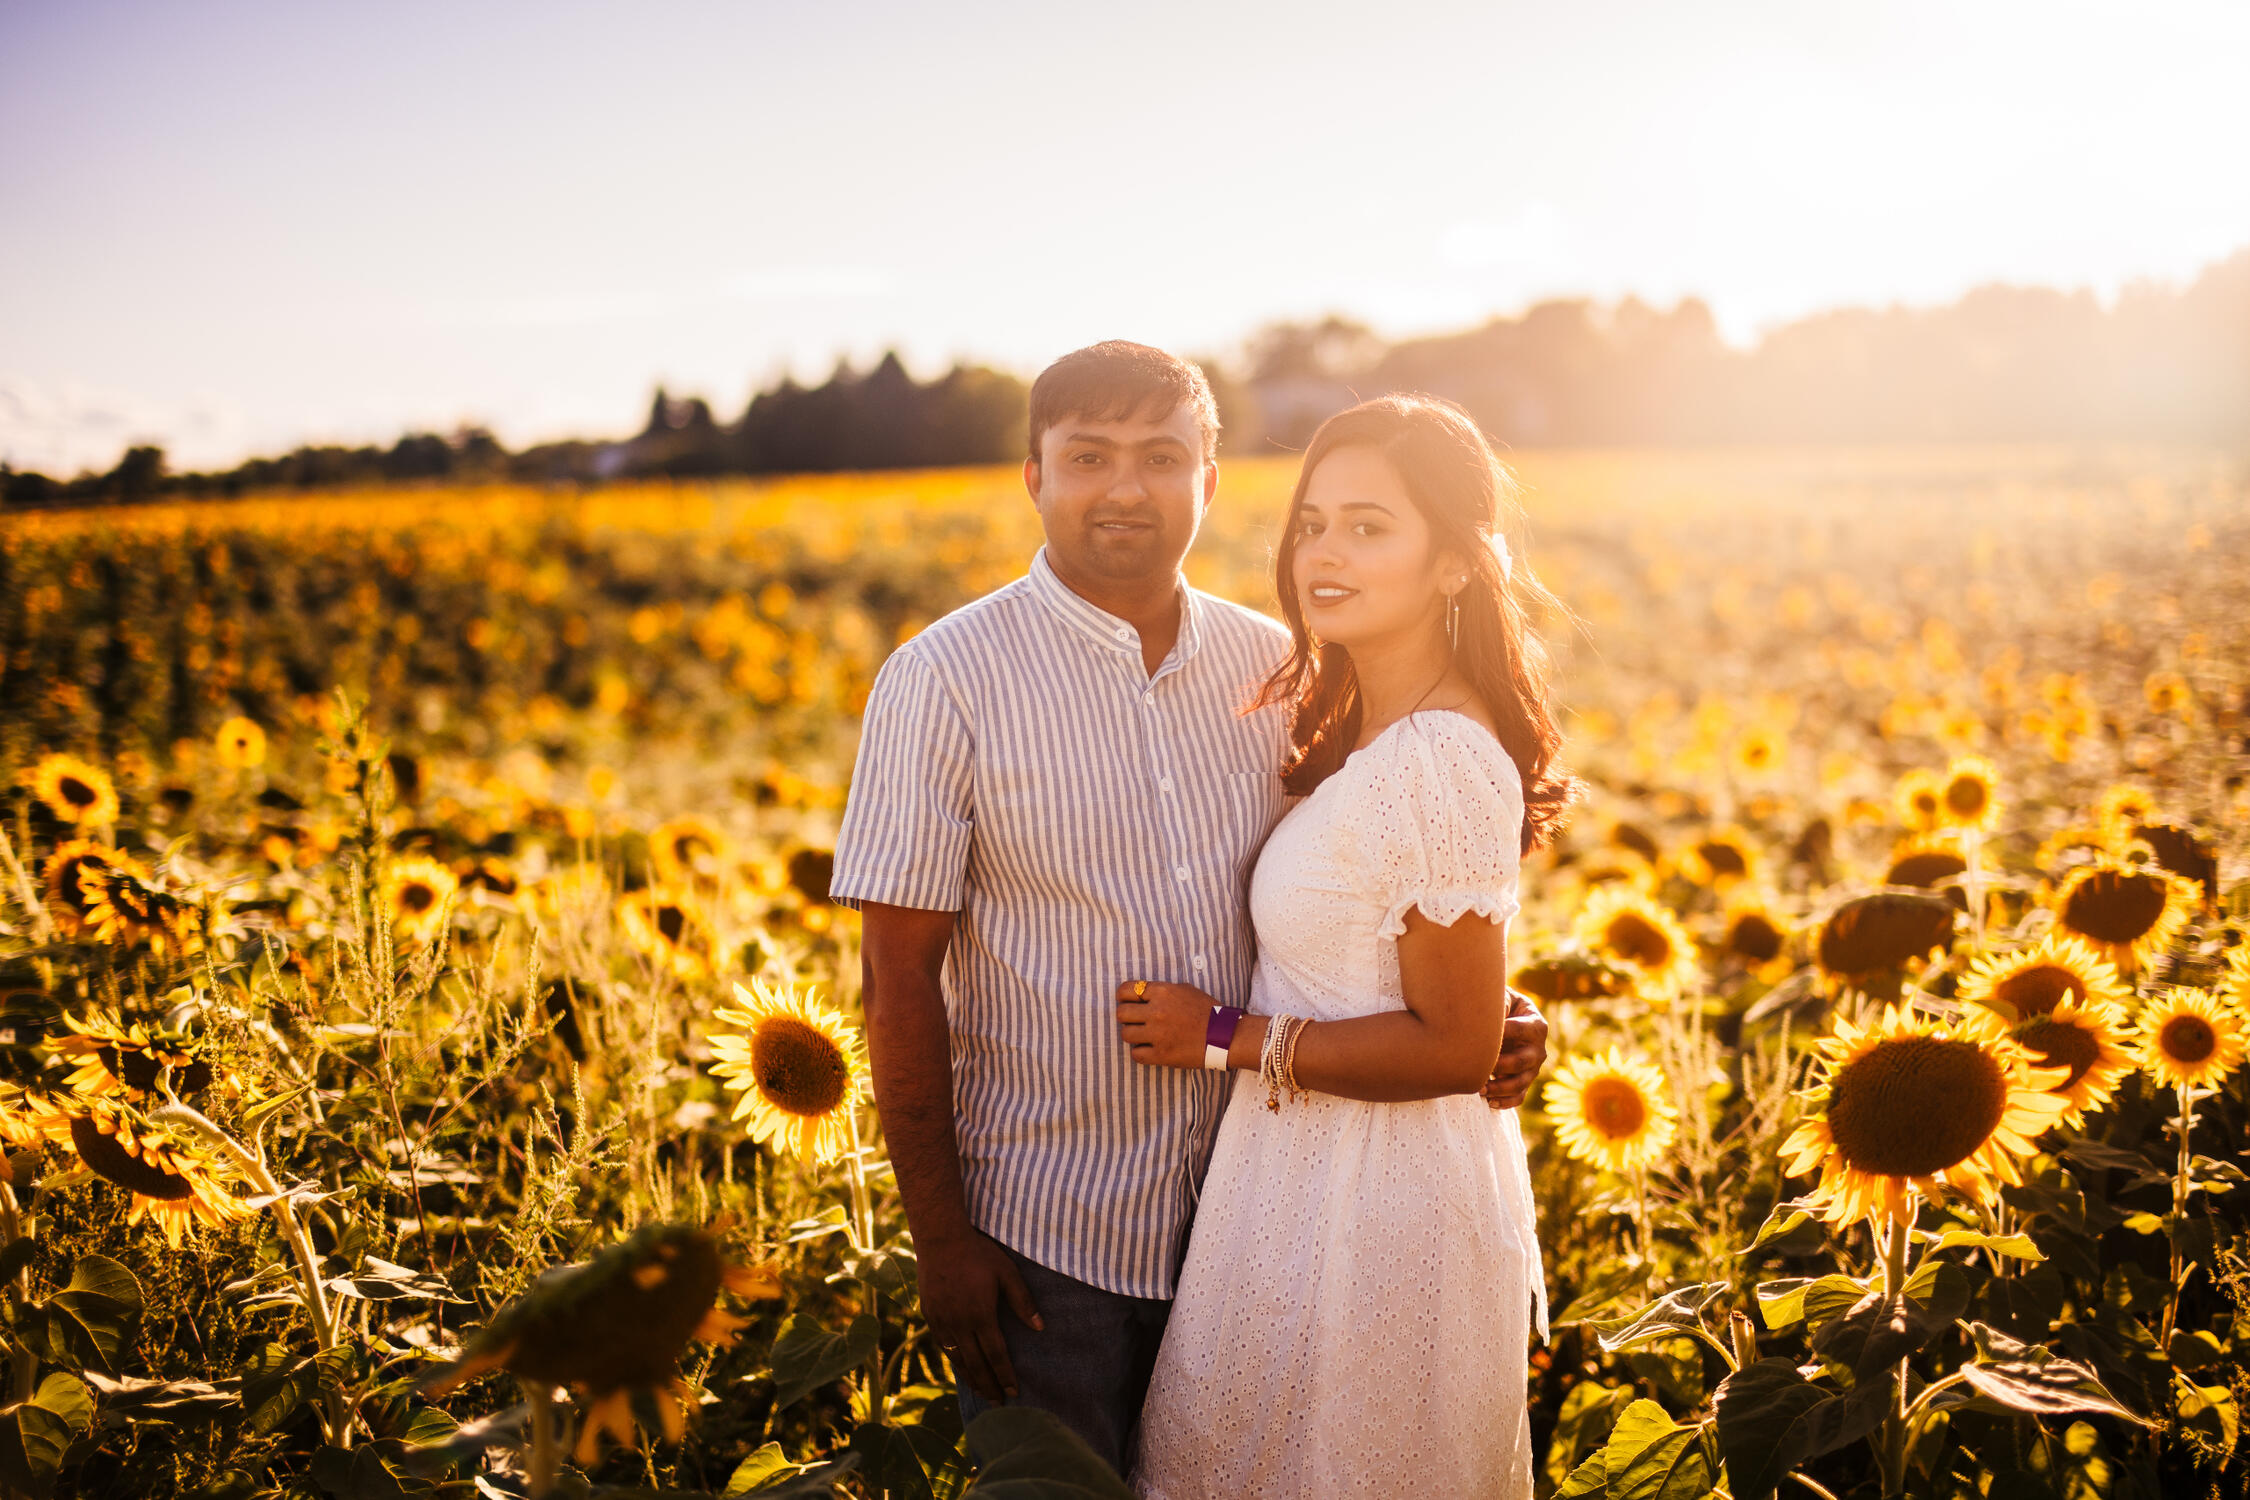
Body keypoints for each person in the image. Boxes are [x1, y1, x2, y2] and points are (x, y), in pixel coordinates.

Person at [830, 343, 1552, 1476]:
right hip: (1045, 1243)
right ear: (1034, 476)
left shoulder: (1285, 671)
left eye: (1162, 456)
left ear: (1209, 482)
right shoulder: (945, 679)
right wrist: (941, 1241)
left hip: (1261, 1226)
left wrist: (1490, 1016)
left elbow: (1396, 880)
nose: (1125, 488)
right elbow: (895, 979)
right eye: (1089, 458)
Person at [1123, 394, 1578, 1499]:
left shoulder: (1436, 753)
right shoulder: (1359, 726)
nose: (1325, 553)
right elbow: (1449, 998)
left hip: (1377, 1206)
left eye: (1370, 527)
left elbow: (1451, 1046)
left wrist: (1224, 1034)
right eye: (1313, 523)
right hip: (1303, 1179)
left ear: (1456, 565)